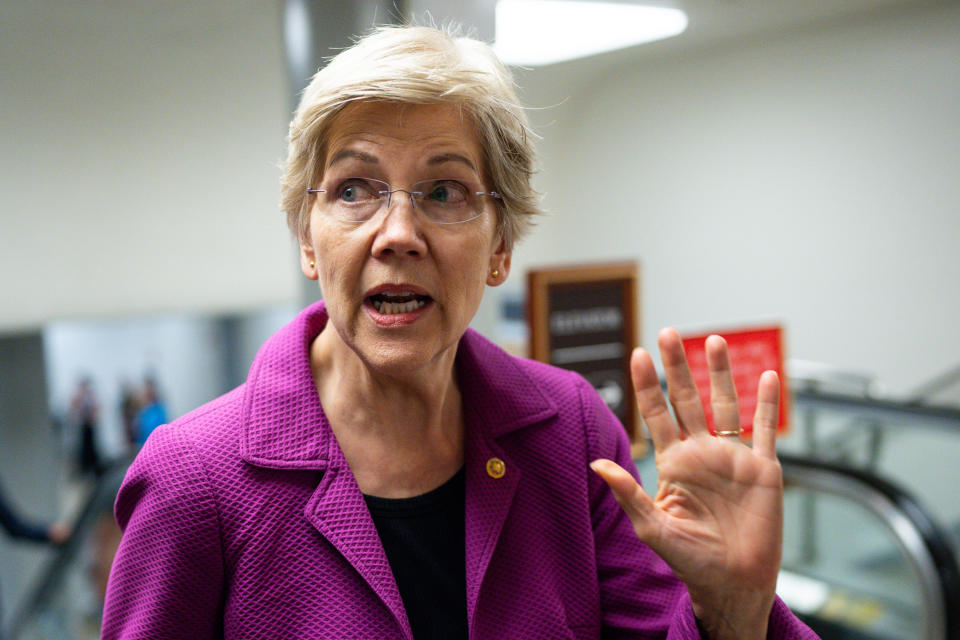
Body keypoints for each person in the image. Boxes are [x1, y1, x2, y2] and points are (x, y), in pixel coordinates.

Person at [102, 25, 819, 639]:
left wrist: (732, 605)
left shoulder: (569, 431)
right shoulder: (192, 481)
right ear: (307, 239)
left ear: (500, 245)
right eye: (354, 189)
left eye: (444, 192)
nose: (399, 234)